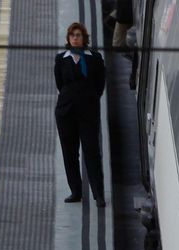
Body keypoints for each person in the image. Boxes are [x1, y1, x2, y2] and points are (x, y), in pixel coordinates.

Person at [54, 22, 107, 208]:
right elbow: (60, 84)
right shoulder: (61, 59)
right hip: (65, 112)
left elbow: (100, 84)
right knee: (69, 152)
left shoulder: (95, 58)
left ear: (84, 38)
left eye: (79, 35)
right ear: (68, 38)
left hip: (88, 112)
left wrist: (89, 99)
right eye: (72, 35)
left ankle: (98, 193)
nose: (75, 38)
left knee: (92, 151)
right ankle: (75, 191)